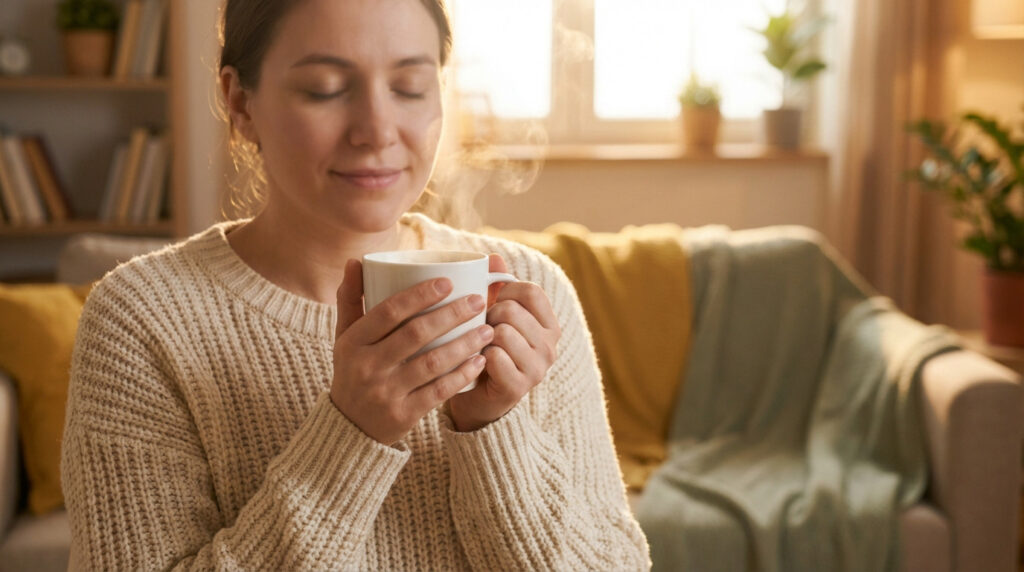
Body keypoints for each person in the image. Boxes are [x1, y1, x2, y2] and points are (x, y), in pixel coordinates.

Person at [61, 0, 651, 569]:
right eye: (324, 88)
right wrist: (351, 433)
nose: (376, 130)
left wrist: (494, 428)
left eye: (410, 87)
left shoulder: (527, 292)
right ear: (239, 102)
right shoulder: (141, 319)